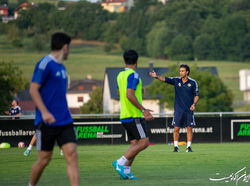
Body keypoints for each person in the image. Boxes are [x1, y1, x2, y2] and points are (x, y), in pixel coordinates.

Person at [28, 32, 79, 186]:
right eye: (69, 47)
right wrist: (44, 112)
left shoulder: (62, 68)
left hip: (64, 120)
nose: (69, 51)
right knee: (44, 159)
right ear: (65, 47)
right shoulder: (44, 64)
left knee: (71, 154)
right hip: (46, 122)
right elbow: (33, 90)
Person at [112, 49, 154, 180]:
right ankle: (120, 162)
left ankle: (126, 171)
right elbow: (129, 94)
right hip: (134, 115)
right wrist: (143, 109)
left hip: (124, 115)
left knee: (135, 144)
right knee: (144, 142)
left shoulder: (120, 75)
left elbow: (121, 93)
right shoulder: (134, 75)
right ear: (137, 61)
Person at [149, 64, 199, 152]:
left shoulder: (193, 82)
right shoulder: (176, 80)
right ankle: (176, 147)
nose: (180, 72)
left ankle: (189, 147)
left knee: (189, 128)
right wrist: (156, 76)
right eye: (180, 71)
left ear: (187, 72)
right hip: (178, 110)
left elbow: (196, 95)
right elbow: (165, 79)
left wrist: (194, 104)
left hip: (189, 110)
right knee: (176, 129)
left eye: (182, 71)